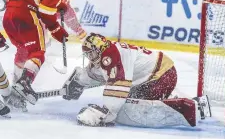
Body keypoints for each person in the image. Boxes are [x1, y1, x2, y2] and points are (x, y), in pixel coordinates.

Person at [62, 33, 211, 127]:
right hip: (155, 77)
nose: (90, 58)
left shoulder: (112, 55)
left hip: (162, 75)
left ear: (100, 49)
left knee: (132, 110)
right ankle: (174, 100)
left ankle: (194, 107)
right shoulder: (106, 53)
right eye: (88, 55)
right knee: (128, 104)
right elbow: (96, 74)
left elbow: (117, 85)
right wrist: (78, 82)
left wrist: (105, 114)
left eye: (92, 54)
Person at [3, 0, 72, 105]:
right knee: (38, 52)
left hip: (9, 15)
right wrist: (56, 30)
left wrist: (58, 4)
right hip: (26, 15)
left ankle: (15, 92)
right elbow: (45, 13)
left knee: (23, 50)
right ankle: (24, 83)